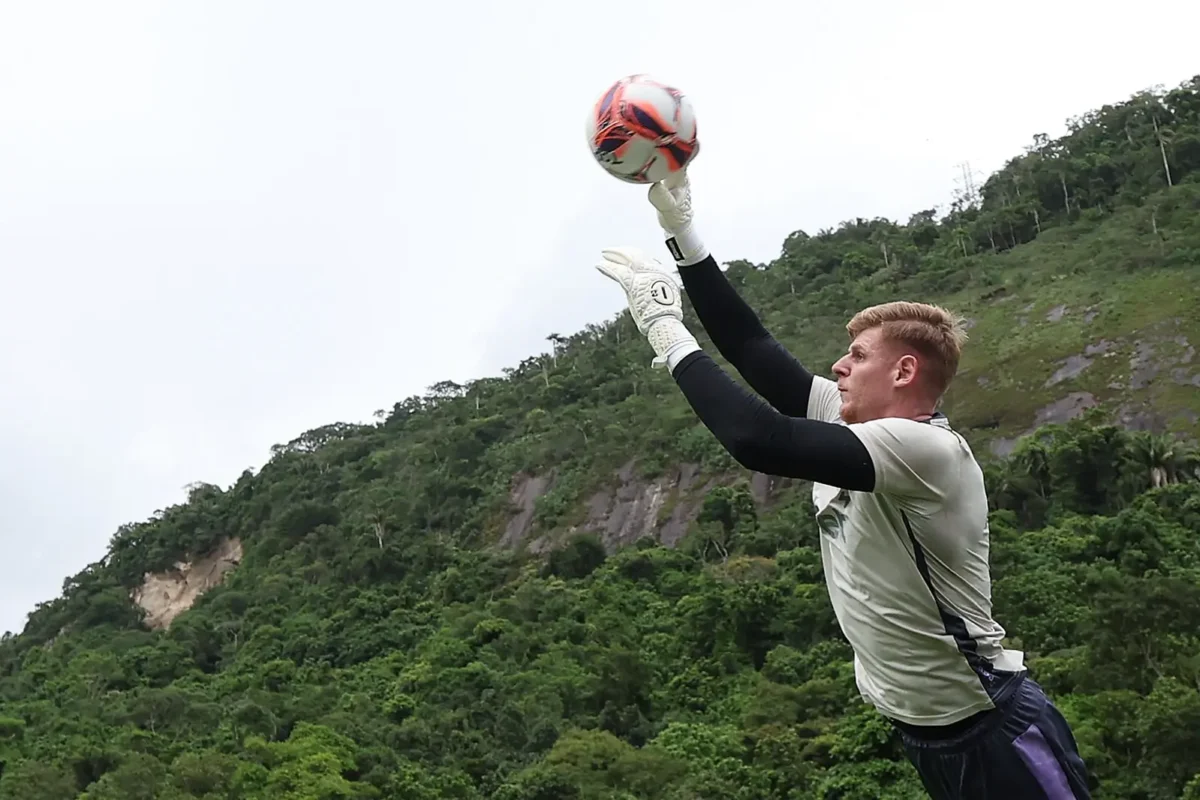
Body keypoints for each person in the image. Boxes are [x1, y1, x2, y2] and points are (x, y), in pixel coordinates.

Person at [592, 169, 1093, 800]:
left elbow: (759, 439)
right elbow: (752, 348)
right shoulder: (856, 419)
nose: (838, 365)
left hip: (991, 728)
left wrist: (666, 331)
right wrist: (683, 234)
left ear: (905, 370)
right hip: (928, 735)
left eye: (857, 355)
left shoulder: (927, 449)